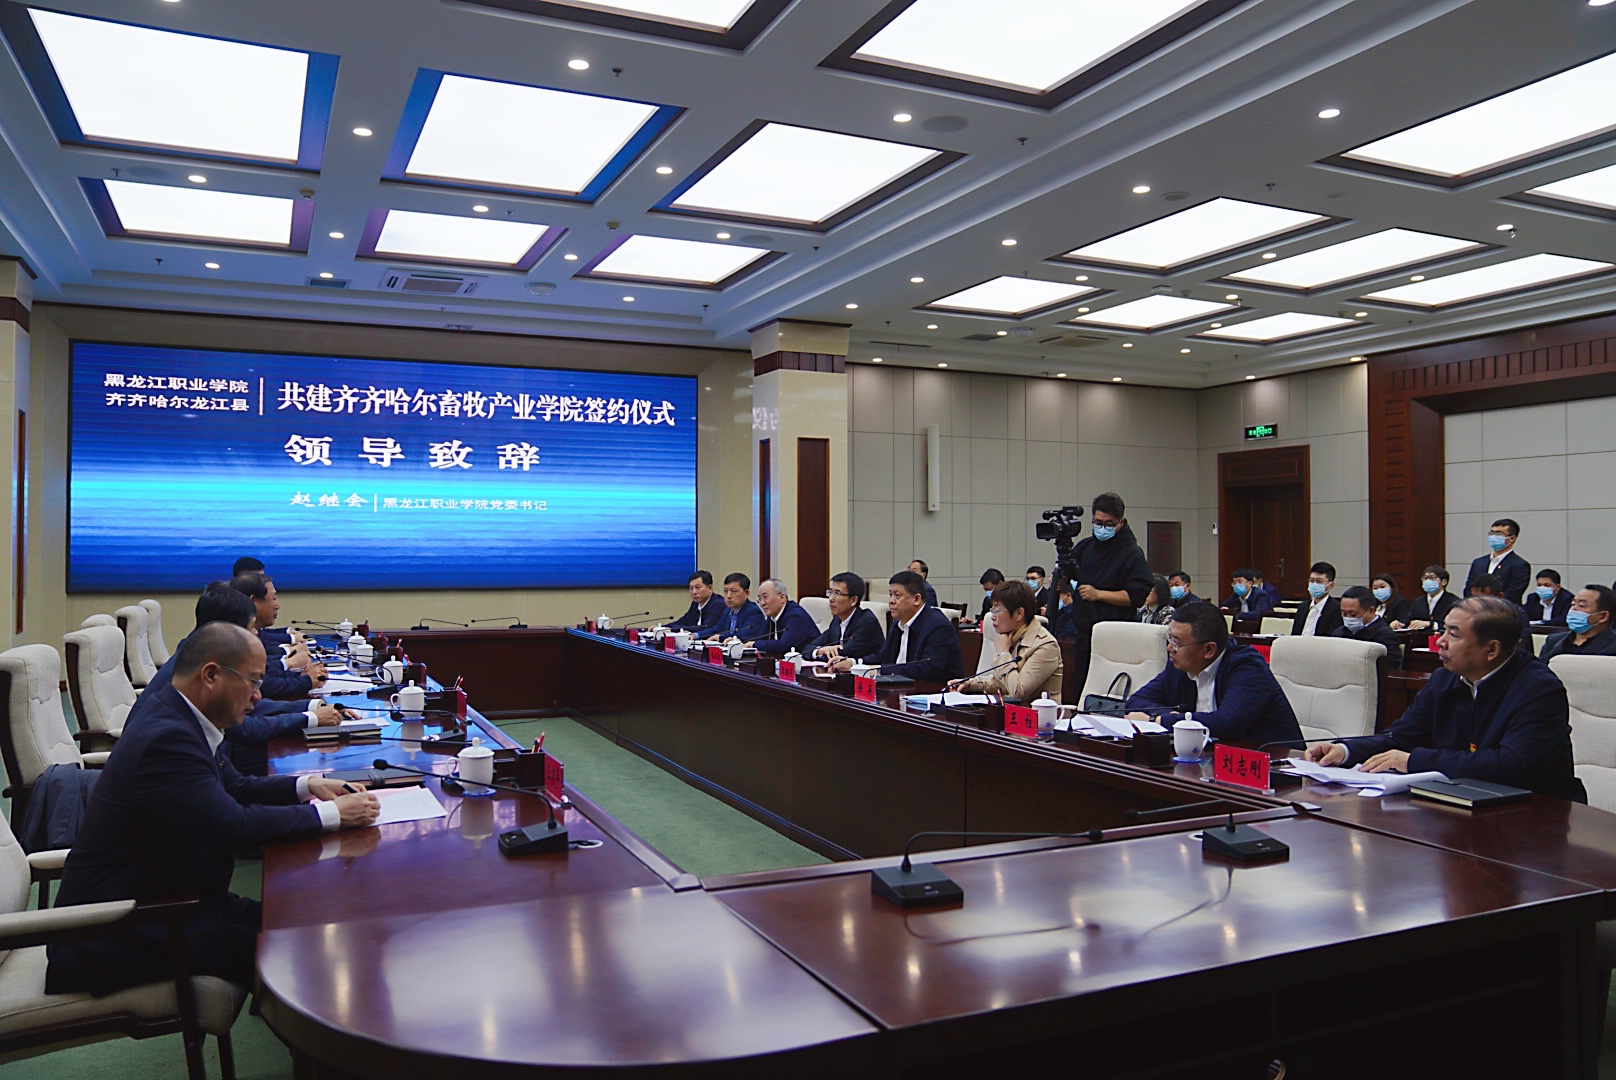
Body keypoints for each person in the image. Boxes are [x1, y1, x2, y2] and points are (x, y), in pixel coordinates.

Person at [46, 622, 380, 997]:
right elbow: (234, 825)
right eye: (253, 682)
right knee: (296, 951)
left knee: (303, 923)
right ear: (211, 675)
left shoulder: (181, 715)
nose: (258, 696)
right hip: (118, 929)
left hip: (174, 898)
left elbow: (235, 787)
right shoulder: (167, 739)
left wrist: (309, 785)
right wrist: (333, 815)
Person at [1306, 597, 1586, 802]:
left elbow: (1510, 767)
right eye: (1443, 630)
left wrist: (1413, 761)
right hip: (1462, 803)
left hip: (1536, 816)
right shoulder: (1444, 679)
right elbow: (1402, 736)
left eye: (1454, 634)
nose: (1440, 641)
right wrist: (1346, 750)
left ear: (1491, 650)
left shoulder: (1539, 689)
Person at [146, 585, 351, 774]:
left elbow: (254, 708)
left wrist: (311, 706)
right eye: (251, 627)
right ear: (228, 630)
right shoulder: (197, 673)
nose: (256, 633)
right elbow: (246, 728)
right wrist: (311, 718)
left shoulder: (196, 652)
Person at [1124, 602, 1303, 747]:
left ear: (1209, 650)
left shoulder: (1247, 668)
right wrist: (1176, 717)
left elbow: (1226, 723)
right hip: (1209, 758)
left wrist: (1159, 720)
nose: (1170, 648)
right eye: (1169, 639)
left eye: (1177, 642)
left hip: (1273, 766)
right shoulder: (1180, 666)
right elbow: (1136, 701)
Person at [1057, 492, 1152, 665]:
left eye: (1109, 524)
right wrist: (1060, 578)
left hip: (1116, 636)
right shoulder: (1085, 547)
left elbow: (1136, 596)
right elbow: (1068, 576)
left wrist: (1099, 594)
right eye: (1098, 522)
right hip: (1084, 635)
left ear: (1121, 522)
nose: (1102, 528)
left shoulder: (1132, 553)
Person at [836, 571, 963, 682]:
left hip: (933, 693)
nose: (891, 601)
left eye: (897, 595)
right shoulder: (899, 622)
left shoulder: (938, 626)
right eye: (890, 595)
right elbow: (883, 656)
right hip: (900, 687)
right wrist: (854, 663)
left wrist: (878, 670)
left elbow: (927, 669)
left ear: (917, 599)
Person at [950, 580, 1062, 701]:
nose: (993, 617)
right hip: (1010, 710)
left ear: (1019, 613)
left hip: (1038, 712)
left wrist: (1003, 653)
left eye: (997, 611)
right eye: (992, 611)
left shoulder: (1046, 645)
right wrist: (970, 684)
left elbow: (1018, 691)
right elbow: (1001, 684)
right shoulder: (1011, 637)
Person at [230, 572, 327, 698]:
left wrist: (300, 676)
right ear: (253, 602)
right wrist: (304, 681)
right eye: (274, 599)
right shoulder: (231, 640)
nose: (277, 606)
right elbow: (264, 686)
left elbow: (265, 673)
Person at [810, 572, 885, 662]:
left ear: (853, 600)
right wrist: (819, 651)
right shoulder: (837, 620)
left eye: (837, 593)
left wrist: (822, 652)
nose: (831, 598)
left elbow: (842, 655)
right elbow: (809, 647)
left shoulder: (867, 623)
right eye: (830, 592)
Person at [1538, 585, 1616, 661]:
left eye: (1581, 605)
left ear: (1603, 616)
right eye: (1573, 604)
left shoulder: (1613, 645)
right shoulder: (1554, 640)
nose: (1573, 609)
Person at [1464, 518, 1531, 604]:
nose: (1494, 537)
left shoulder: (1520, 565)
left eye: (1499, 534)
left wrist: (1489, 605)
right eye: (1492, 533)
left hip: (1503, 610)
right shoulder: (1478, 562)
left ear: (1512, 538)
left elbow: (1513, 594)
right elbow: (1468, 589)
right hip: (1475, 608)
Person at [1333, 584, 1402, 665]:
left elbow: (1391, 667)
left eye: (1353, 614)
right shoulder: (1339, 633)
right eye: (1344, 614)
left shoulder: (1386, 636)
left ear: (1371, 611)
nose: (1348, 618)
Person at [747, 578, 819, 655]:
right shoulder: (772, 616)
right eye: (759, 599)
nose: (762, 603)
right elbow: (761, 639)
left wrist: (754, 644)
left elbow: (783, 647)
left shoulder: (796, 616)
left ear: (782, 597)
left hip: (810, 660)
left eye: (765, 597)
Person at [1396, 565, 1457, 631]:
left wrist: (1431, 624)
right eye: (1425, 578)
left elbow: (1455, 625)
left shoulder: (1453, 602)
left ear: (1444, 582)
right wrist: (1399, 623)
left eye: (1432, 578)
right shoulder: (1418, 602)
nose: (1428, 581)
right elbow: (1409, 619)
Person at [709, 572, 766, 642]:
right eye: (725, 591)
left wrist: (720, 637)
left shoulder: (753, 612)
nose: (728, 596)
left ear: (747, 593)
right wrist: (697, 635)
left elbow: (743, 635)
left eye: (733, 591)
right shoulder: (727, 611)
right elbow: (715, 629)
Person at [1290, 562, 1343, 637]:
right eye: (1311, 581)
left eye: (1319, 581)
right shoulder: (1303, 607)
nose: (1314, 584)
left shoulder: (1336, 609)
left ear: (1331, 585)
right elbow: (1295, 634)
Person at [666, 571, 725, 636]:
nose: (694, 592)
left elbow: (706, 627)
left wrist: (675, 629)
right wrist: (663, 628)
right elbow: (683, 621)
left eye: (698, 587)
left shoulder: (719, 604)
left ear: (710, 588)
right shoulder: (695, 604)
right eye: (691, 588)